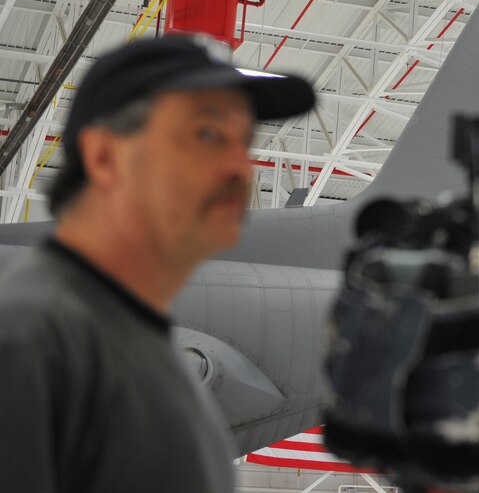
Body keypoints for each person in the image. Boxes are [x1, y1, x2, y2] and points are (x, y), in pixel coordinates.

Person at [0, 34, 315, 492]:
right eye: (205, 136)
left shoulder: (130, 344)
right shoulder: (34, 342)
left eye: (241, 140)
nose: (237, 168)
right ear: (105, 157)